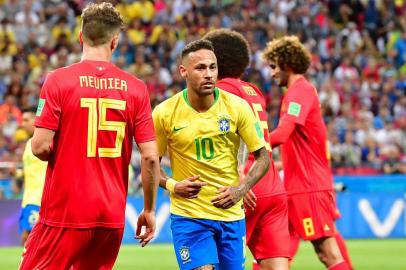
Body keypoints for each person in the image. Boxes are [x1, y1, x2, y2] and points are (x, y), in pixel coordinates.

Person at [19, 3, 160, 269]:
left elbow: (38, 147)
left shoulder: (58, 80)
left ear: (81, 36)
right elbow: (151, 158)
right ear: (115, 42)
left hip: (66, 211)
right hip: (111, 214)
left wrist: (64, 151)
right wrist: (149, 210)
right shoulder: (137, 89)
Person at [152, 39, 270, 270]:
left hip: (230, 216)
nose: (208, 74)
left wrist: (241, 189)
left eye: (212, 67)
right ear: (183, 71)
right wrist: (173, 186)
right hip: (189, 216)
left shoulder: (237, 107)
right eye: (200, 68)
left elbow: (263, 157)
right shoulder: (164, 113)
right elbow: (150, 167)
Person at [202, 28, 289, 270]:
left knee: (218, 262)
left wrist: (240, 178)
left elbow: (226, 138)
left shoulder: (222, 91)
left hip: (241, 188)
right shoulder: (254, 91)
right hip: (271, 187)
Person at [263, 36, 353, 270]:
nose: (272, 74)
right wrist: (283, 165)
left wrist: (253, 145)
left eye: (273, 66)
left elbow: (282, 134)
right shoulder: (296, 93)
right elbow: (296, 142)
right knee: (273, 251)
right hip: (297, 186)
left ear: (286, 63)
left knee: (327, 253)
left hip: (308, 186)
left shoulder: (299, 91)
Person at [19, 108, 47, 245]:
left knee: (29, 238)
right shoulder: (29, 143)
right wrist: (17, 174)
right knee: (27, 239)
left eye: (26, 120)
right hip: (28, 198)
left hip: (39, 198)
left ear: (35, 121)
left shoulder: (43, 141)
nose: (22, 124)